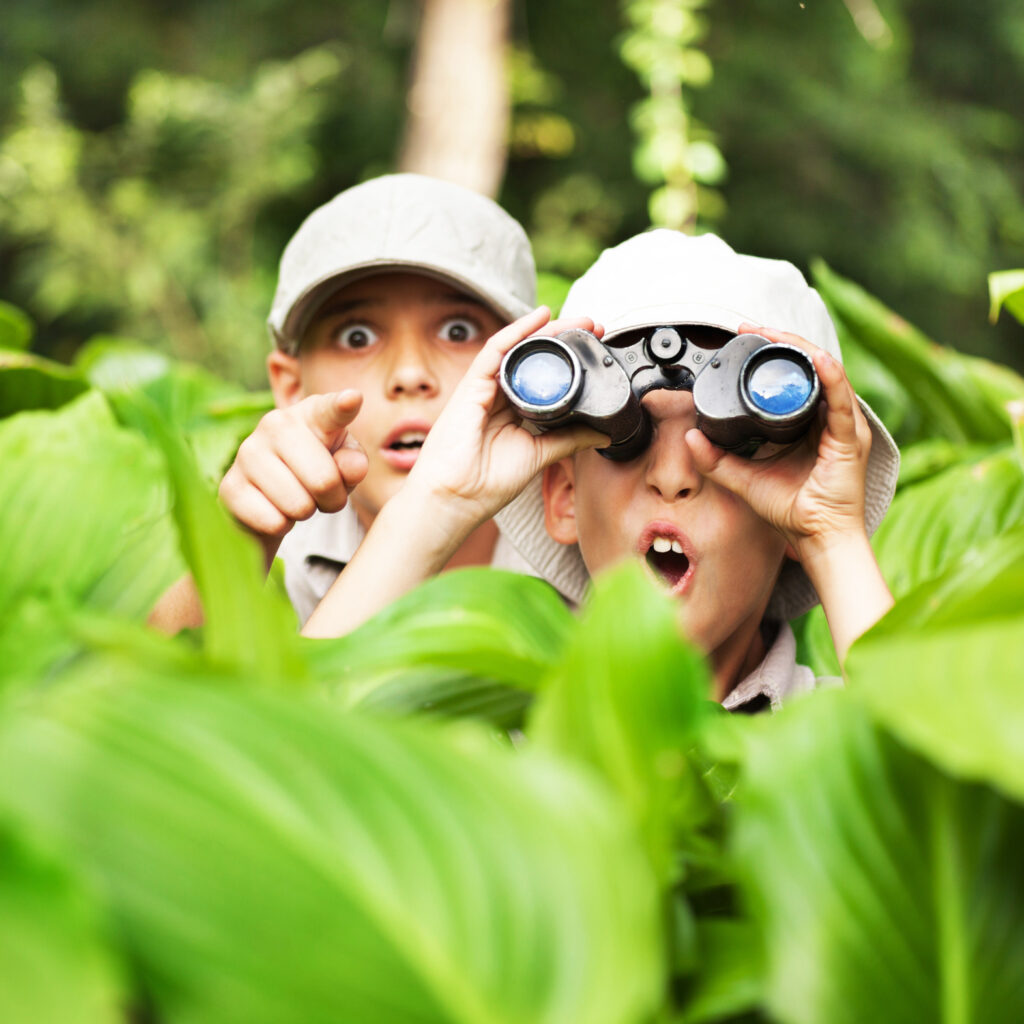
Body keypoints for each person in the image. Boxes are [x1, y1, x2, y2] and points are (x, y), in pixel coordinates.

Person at [302, 230, 900, 710]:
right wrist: (439, 500)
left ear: (791, 509)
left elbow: (945, 802)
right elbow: (274, 759)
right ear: (562, 495)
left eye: (731, 443)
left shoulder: (837, 738)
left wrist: (832, 536)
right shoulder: (492, 730)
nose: (670, 475)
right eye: (624, 438)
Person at [149, 173, 598, 630]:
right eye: (357, 336)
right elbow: (146, 694)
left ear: (530, 363)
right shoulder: (278, 555)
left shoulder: (598, 535)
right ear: (290, 387)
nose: (408, 374)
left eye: (457, 331)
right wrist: (236, 552)